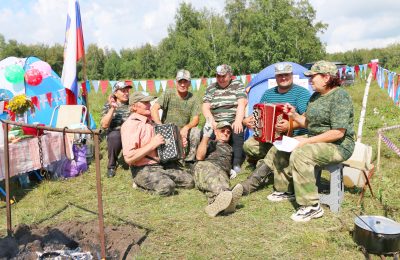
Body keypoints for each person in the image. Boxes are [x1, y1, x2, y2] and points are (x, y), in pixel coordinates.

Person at [263, 60, 355, 222]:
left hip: (338, 145)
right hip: (317, 138)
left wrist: (306, 141)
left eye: (313, 76)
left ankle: (311, 206)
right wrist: (294, 115)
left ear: (326, 78)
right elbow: (308, 123)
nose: (310, 80)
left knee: (301, 153)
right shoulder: (315, 96)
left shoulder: (340, 96)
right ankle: (286, 190)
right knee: (283, 145)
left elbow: (338, 133)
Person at [239, 62, 311, 195]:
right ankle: (272, 165)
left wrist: (290, 125)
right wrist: (250, 120)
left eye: (286, 75)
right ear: (276, 77)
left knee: (277, 148)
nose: (283, 78)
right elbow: (259, 112)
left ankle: (258, 175)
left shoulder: (301, 93)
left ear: (292, 75)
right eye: (280, 75)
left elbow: (307, 119)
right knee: (248, 145)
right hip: (269, 136)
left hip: (294, 137)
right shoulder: (268, 93)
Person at [121, 92, 194, 196]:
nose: (149, 105)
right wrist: (152, 144)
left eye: (149, 102)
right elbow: (129, 158)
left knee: (189, 181)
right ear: (134, 106)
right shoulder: (130, 125)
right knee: (167, 187)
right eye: (145, 102)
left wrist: (179, 145)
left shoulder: (151, 122)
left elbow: (163, 148)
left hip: (162, 164)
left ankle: (161, 178)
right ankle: (139, 183)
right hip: (143, 168)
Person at [202, 64, 247, 175]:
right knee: (204, 134)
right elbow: (205, 107)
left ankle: (236, 163)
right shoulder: (211, 87)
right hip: (216, 120)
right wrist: (213, 123)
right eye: (218, 76)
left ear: (230, 75)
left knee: (237, 130)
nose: (221, 79)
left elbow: (242, 103)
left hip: (233, 119)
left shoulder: (237, 85)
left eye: (223, 76)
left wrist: (237, 120)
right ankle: (203, 159)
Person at [194, 119, 243, 217]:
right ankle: (222, 200)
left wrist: (232, 169)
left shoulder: (230, 148)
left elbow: (238, 156)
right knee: (213, 178)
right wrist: (206, 136)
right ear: (215, 132)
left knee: (223, 183)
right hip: (206, 167)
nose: (226, 133)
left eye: (228, 132)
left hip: (222, 172)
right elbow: (199, 157)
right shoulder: (210, 142)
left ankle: (221, 203)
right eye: (222, 131)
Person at [151, 69, 201, 163]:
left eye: (185, 81)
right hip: (167, 130)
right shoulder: (168, 93)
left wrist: (186, 127)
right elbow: (154, 109)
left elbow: (196, 119)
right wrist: (160, 125)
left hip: (183, 131)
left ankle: (189, 160)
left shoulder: (194, 98)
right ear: (176, 82)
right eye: (180, 81)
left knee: (196, 131)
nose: (182, 84)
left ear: (189, 83)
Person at [100, 81, 132, 178]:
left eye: (127, 91)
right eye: (123, 91)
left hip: (131, 131)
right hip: (116, 132)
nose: (126, 93)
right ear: (115, 93)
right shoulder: (108, 105)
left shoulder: (132, 103)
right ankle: (111, 166)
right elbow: (104, 125)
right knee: (114, 136)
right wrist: (113, 108)